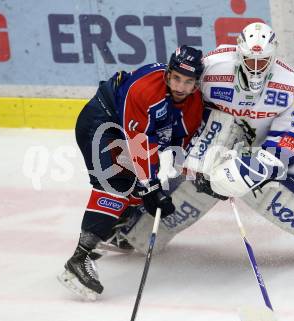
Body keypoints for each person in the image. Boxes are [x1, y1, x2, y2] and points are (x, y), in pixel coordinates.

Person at [119, 22, 294, 267]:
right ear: (239, 53)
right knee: (193, 179)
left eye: (263, 61)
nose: (256, 68)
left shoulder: (292, 84)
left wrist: (254, 168)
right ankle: (136, 232)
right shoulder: (213, 67)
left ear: (273, 56)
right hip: (217, 138)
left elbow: (289, 136)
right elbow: (184, 98)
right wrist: (192, 149)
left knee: (271, 188)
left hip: (261, 149)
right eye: (250, 60)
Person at [57, 45, 205, 300]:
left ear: (196, 84)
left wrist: (192, 173)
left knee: (144, 184)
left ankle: (115, 230)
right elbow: (137, 142)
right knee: (118, 183)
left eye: (188, 81)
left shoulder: (194, 105)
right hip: (104, 121)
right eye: (177, 78)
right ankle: (79, 260)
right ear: (168, 74)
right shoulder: (144, 89)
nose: (181, 86)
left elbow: (181, 146)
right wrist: (150, 185)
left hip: (132, 135)